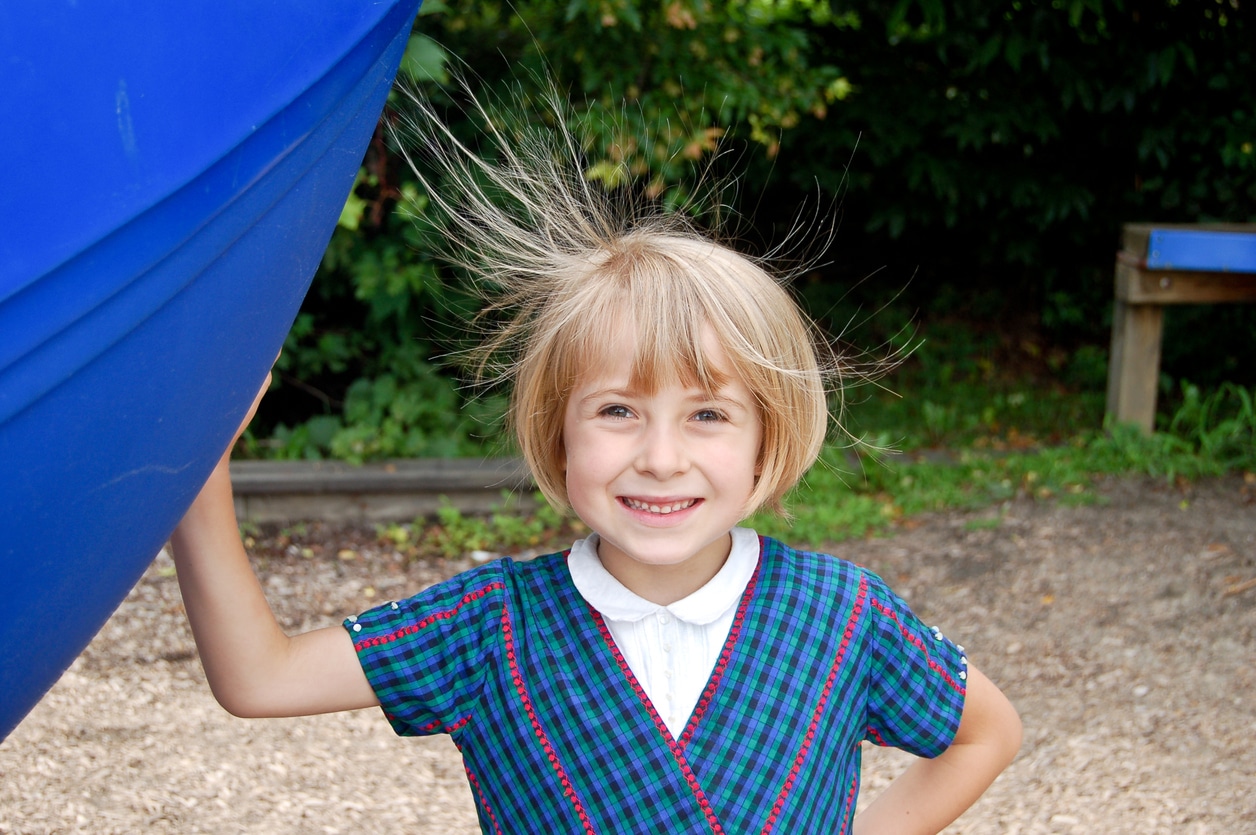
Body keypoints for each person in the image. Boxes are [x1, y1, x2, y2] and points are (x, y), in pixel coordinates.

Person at [171, 85, 1021, 834]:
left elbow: (989, 730)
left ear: (771, 435)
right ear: (557, 433)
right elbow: (259, 676)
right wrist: (196, 471)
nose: (660, 457)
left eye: (708, 414)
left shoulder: (845, 615)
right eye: (617, 410)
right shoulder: (487, 626)